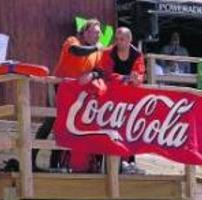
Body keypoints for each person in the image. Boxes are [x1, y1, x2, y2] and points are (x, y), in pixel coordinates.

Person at [33, 19, 104, 171]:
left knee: (66, 124)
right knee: (51, 121)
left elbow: (101, 71)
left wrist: (93, 74)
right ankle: (31, 160)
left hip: (77, 91)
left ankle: (55, 164)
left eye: (99, 33)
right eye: (94, 32)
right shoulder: (72, 41)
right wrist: (95, 48)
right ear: (85, 32)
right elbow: (76, 51)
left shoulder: (97, 52)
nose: (97, 36)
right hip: (59, 86)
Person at [101, 27, 146, 175]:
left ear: (129, 39)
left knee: (130, 129)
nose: (118, 42)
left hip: (129, 99)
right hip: (110, 99)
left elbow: (139, 73)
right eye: (117, 39)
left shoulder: (137, 54)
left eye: (122, 39)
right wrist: (125, 78)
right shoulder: (108, 52)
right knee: (111, 130)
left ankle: (130, 162)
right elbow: (106, 74)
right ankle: (109, 165)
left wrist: (136, 78)